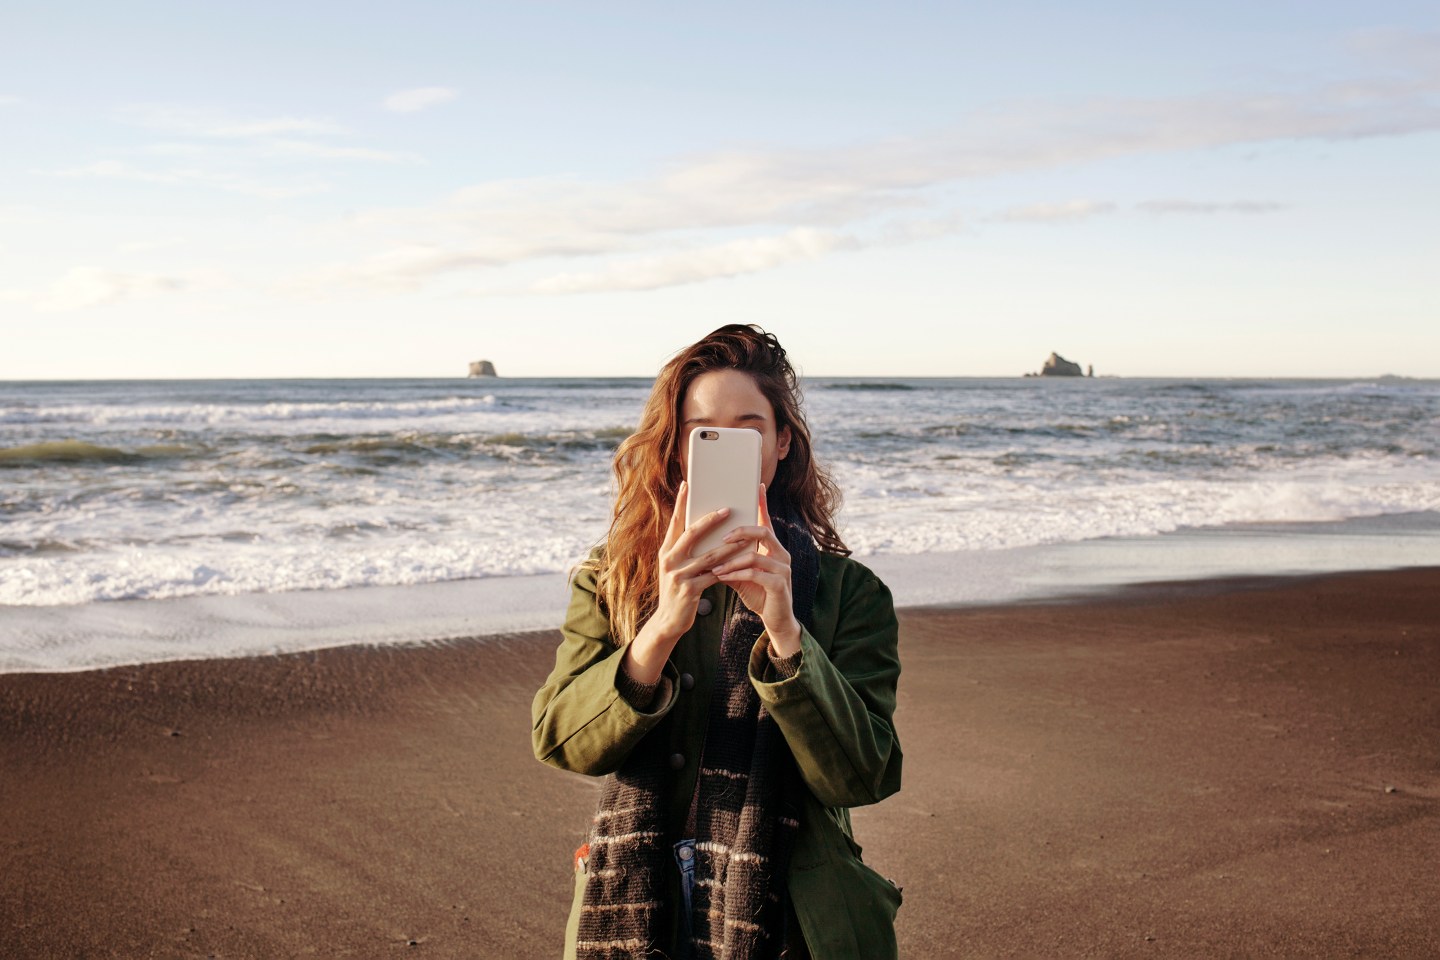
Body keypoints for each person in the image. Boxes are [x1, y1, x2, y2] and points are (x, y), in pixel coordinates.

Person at [532, 325, 902, 960]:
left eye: (748, 425)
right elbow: (562, 742)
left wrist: (787, 633)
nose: (726, 441)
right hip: (638, 901)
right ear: (677, 446)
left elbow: (865, 775)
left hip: (793, 917)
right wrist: (660, 629)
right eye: (702, 428)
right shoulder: (611, 579)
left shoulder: (851, 592)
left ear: (783, 441)